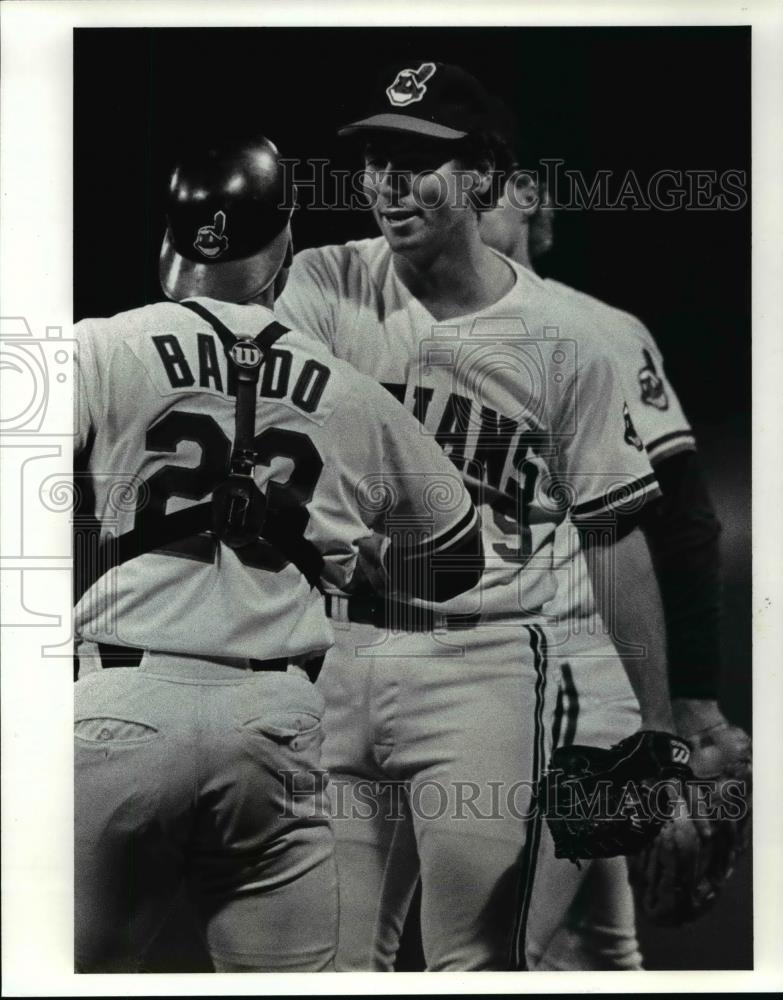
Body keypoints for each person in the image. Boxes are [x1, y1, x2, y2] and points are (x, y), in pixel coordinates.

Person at [276, 60, 679, 971]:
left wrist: (657, 731)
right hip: (338, 656)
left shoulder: (566, 340)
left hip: (485, 667)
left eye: (416, 159)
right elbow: (279, 443)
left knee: (475, 964)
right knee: (332, 964)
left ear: (485, 179)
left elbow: (614, 534)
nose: (384, 183)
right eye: (374, 157)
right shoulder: (326, 281)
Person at [73, 134, 484, 973]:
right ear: (283, 247)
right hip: (275, 720)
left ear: (171, 239)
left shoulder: (96, 347)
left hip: (118, 703)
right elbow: (457, 556)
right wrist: (362, 570)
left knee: (62, 978)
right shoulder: (349, 388)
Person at [479, 123, 743, 969]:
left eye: (488, 183)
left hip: (560, 685)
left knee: (491, 950)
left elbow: (684, 521)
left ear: (529, 198)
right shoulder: (368, 321)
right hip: (438, 680)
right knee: (591, 951)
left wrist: (693, 707)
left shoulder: (592, 328)